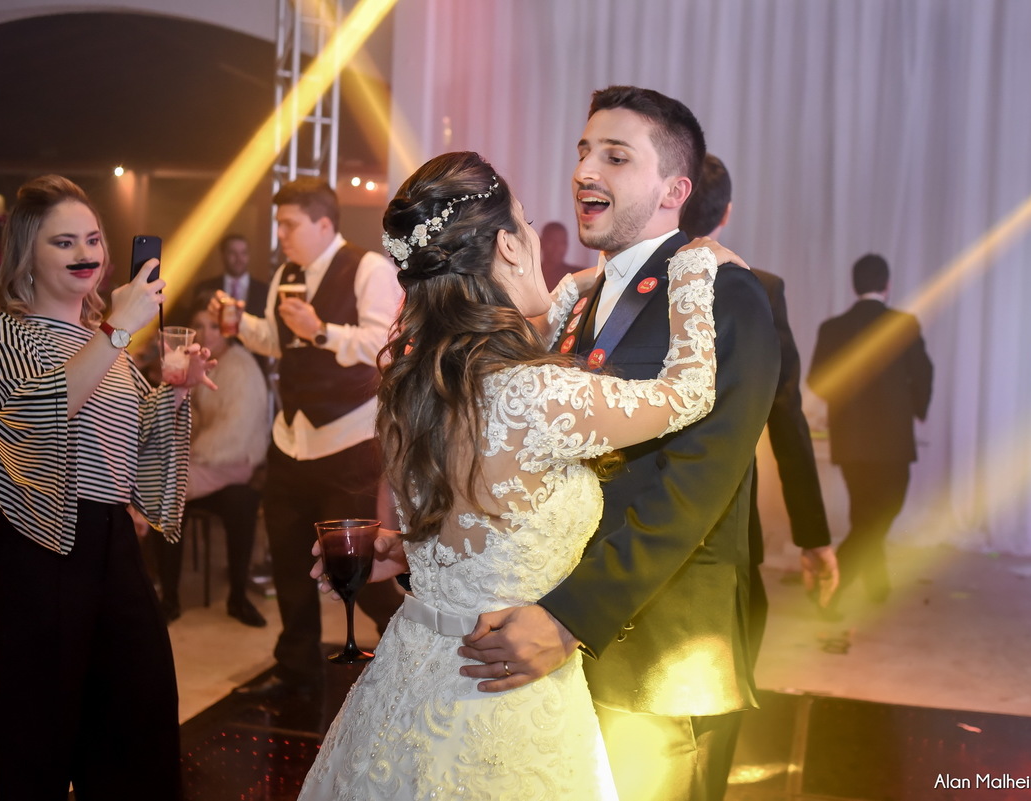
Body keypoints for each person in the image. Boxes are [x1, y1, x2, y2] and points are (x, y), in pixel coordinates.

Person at [299, 150, 734, 800]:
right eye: (526, 224)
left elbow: (472, 516)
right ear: (507, 245)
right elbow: (690, 391)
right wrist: (694, 265)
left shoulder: (411, 383)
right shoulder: (537, 395)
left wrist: (406, 547)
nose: (533, 236)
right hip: (501, 699)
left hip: (407, 676)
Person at [457, 86, 836, 801]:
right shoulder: (578, 299)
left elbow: (697, 483)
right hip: (559, 622)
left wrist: (572, 616)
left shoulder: (723, 293)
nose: (584, 170)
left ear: (673, 190)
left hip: (657, 643)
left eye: (615, 156)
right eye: (583, 151)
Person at [0, 174, 213, 800]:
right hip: (35, 549)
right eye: (64, 242)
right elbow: (36, 419)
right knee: (37, 746)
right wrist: (118, 330)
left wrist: (173, 393)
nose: (86, 254)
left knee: (139, 730)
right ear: (26, 254)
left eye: (94, 239)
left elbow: (128, 445)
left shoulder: (105, 341)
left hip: (112, 546)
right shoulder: (4, 333)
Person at [211, 177, 405, 697]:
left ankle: (410, 657)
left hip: (348, 442)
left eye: (289, 225)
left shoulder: (368, 268)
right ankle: (296, 670)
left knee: (358, 568)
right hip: (291, 440)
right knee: (289, 562)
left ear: (323, 224)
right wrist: (240, 324)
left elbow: (385, 346)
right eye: (278, 224)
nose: (280, 235)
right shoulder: (286, 275)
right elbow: (278, 341)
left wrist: (321, 330)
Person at [679, 153, 838, 633]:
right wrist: (813, 535)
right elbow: (786, 415)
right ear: (726, 212)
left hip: (622, 514)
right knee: (734, 640)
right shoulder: (759, 290)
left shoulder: (623, 283)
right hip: (725, 510)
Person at [807, 254, 933, 603]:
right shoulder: (904, 324)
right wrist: (918, 408)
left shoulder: (832, 328)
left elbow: (818, 380)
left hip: (850, 439)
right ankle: (831, 587)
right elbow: (924, 372)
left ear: (854, 286)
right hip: (892, 440)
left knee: (864, 514)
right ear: (887, 285)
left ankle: (877, 586)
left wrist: (845, 407)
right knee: (880, 514)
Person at [154, 304, 270, 626]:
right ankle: (168, 597)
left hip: (235, 462)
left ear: (228, 331)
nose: (206, 334)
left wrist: (184, 456)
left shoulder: (240, 366)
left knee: (165, 489)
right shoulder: (197, 362)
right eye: (199, 326)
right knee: (168, 496)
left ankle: (237, 598)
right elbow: (188, 421)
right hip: (206, 461)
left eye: (214, 326)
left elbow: (232, 435)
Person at [193, 233, 269, 316]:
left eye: (243, 253)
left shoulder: (264, 291)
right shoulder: (205, 288)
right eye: (232, 253)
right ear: (223, 255)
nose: (239, 258)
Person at [540, 220, 584, 290]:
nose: (557, 247)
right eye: (552, 241)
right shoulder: (531, 273)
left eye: (562, 242)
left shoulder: (578, 275)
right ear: (541, 242)